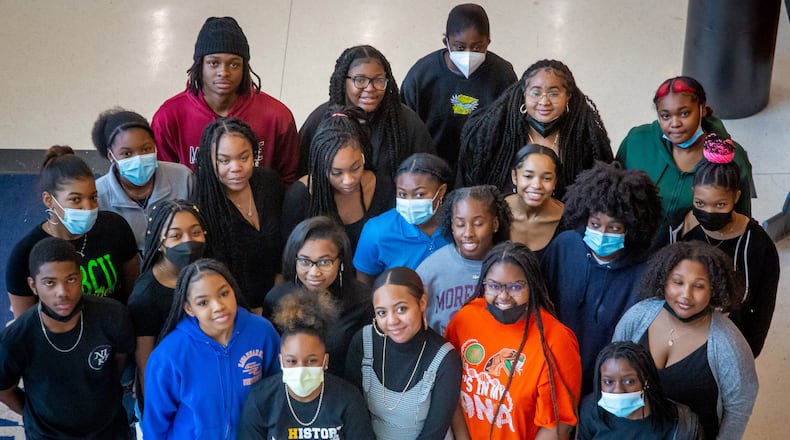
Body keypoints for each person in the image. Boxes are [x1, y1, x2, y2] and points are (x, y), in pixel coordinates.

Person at [613, 242, 758, 440]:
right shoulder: (637, 317)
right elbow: (611, 370)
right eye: (678, 282)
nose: (686, 295)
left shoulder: (729, 344)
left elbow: (738, 411)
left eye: (698, 286)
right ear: (664, 281)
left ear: (713, 290)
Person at [542, 162, 661, 395]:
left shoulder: (646, 271)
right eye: (595, 225)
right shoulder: (563, 247)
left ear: (632, 228)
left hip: (609, 385)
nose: (602, 234)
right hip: (554, 375)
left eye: (614, 228)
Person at [0, 237, 135, 439]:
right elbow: (4, 389)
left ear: (81, 277)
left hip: (109, 429)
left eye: (70, 279)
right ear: (33, 285)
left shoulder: (113, 316)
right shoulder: (16, 339)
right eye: (50, 283)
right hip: (48, 435)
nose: (62, 292)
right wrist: (35, 417)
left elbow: (119, 360)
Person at [445, 241, 581, 439]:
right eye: (494, 286)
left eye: (515, 287)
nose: (503, 296)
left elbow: (558, 425)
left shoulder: (556, 340)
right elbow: (450, 394)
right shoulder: (464, 320)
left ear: (532, 285)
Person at [665, 133, 779, 357]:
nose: (708, 212)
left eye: (720, 204)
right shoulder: (680, 229)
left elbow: (762, 312)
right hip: (680, 344)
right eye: (700, 203)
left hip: (730, 347)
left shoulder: (758, 245)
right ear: (692, 193)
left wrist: (745, 352)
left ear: (736, 197)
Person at [151, 16, 299, 186]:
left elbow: (288, 179)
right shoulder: (169, 116)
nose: (224, 72)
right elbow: (163, 183)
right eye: (213, 63)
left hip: (257, 209)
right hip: (191, 210)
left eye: (234, 64)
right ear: (200, 66)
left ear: (245, 68)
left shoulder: (277, 116)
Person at [142, 258, 281, 439]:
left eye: (224, 294)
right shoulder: (169, 355)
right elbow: (155, 425)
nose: (218, 307)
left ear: (234, 291)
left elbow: (279, 392)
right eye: (203, 303)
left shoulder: (262, 332)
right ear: (189, 309)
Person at [6, 146, 139, 318]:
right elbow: (24, 327)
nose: (88, 207)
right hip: (59, 341)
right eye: (75, 199)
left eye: (93, 197)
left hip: (114, 334)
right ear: (49, 200)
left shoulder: (115, 227)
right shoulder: (25, 253)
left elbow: (134, 296)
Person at [456, 59, 612, 198]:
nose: (544, 102)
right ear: (524, 93)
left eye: (554, 94)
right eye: (536, 93)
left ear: (568, 96)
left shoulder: (585, 140)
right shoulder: (496, 134)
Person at [238, 289, 375, 439]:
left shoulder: (348, 399)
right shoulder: (261, 399)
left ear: (325, 361)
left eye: (311, 361)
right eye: (291, 361)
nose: (301, 369)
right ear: (281, 361)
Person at [344, 267, 462, 439]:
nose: (392, 321)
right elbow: (354, 415)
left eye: (401, 309)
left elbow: (434, 433)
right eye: (382, 313)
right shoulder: (363, 342)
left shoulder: (445, 358)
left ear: (422, 303)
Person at [616, 76, 753, 221]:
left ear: (702, 109)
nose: (674, 123)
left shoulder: (732, 157)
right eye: (665, 116)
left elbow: (741, 220)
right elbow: (611, 194)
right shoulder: (636, 141)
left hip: (694, 243)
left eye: (684, 113)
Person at [401, 3, 517, 174]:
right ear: (446, 42)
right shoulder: (421, 75)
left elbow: (512, 128)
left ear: (488, 43)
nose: (468, 53)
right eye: (460, 47)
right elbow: (405, 125)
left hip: (483, 168)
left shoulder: (503, 75)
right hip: (430, 167)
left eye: (477, 47)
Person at [298, 45, 434, 179]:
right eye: (360, 80)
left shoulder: (406, 121)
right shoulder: (321, 118)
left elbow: (429, 173)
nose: (370, 88)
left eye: (378, 80)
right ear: (343, 81)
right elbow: (301, 172)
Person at [193, 117, 284, 315]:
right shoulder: (202, 206)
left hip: (281, 299)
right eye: (224, 160)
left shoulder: (269, 183)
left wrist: (279, 290)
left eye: (243, 157)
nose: (236, 168)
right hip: (235, 310)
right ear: (209, 161)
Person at [263, 216, 372, 376]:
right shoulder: (276, 299)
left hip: (346, 389)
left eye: (324, 262)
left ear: (340, 261)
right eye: (305, 261)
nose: (314, 272)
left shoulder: (362, 300)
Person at [127, 199, 208, 413]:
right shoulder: (146, 296)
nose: (188, 242)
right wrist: (157, 413)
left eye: (195, 232)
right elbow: (147, 367)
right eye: (176, 236)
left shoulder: (208, 276)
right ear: (160, 243)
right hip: (170, 394)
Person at [282, 107, 394, 253]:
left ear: (363, 155)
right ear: (321, 167)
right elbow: (289, 255)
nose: (348, 180)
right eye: (336, 173)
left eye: (355, 168)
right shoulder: (300, 195)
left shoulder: (382, 187)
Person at [92, 107, 193, 253]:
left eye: (146, 149)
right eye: (127, 153)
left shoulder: (183, 178)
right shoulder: (98, 195)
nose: (138, 158)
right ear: (110, 156)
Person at [417, 185, 511, 335]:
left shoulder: (511, 266)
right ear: (451, 226)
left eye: (478, 224)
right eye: (460, 224)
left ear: (495, 224)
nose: (468, 233)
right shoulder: (430, 270)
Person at [353, 153, 452, 286]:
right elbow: (364, 287)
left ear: (441, 191)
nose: (409, 201)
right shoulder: (376, 231)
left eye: (419, 194)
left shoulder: (458, 225)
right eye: (402, 194)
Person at [577, 341, 701, 439]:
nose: (618, 390)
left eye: (629, 381)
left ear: (646, 380)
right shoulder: (590, 410)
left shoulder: (680, 425)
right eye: (608, 382)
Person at [506, 144, 564, 256]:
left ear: (555, 182)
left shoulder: (569, 221)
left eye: (547, 178)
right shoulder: (495, 211)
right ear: (514, 176)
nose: (537, 185)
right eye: (528, 176)